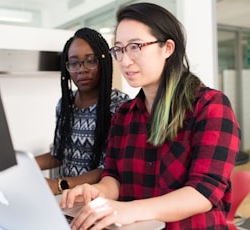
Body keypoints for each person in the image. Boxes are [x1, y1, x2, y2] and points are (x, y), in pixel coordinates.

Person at [59, 3, 241, 230]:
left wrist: (130, 210)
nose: (124, 61)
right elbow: (114, 177)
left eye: (135, 46)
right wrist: (97, 191)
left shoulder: (210, 106)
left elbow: (204, 191)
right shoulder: (124, 114)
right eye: (119, 49)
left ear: (168, 48)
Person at [36, 27, 130, 195]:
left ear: (103, 62)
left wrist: (59, 185)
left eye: (91, 60)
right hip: (69, 202)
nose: (82, 69)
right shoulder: (65, 105)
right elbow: (58, 155)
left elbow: (108, 168)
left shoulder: (119, 106)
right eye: (74, 63)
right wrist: (21, 165)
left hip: (100, 201)